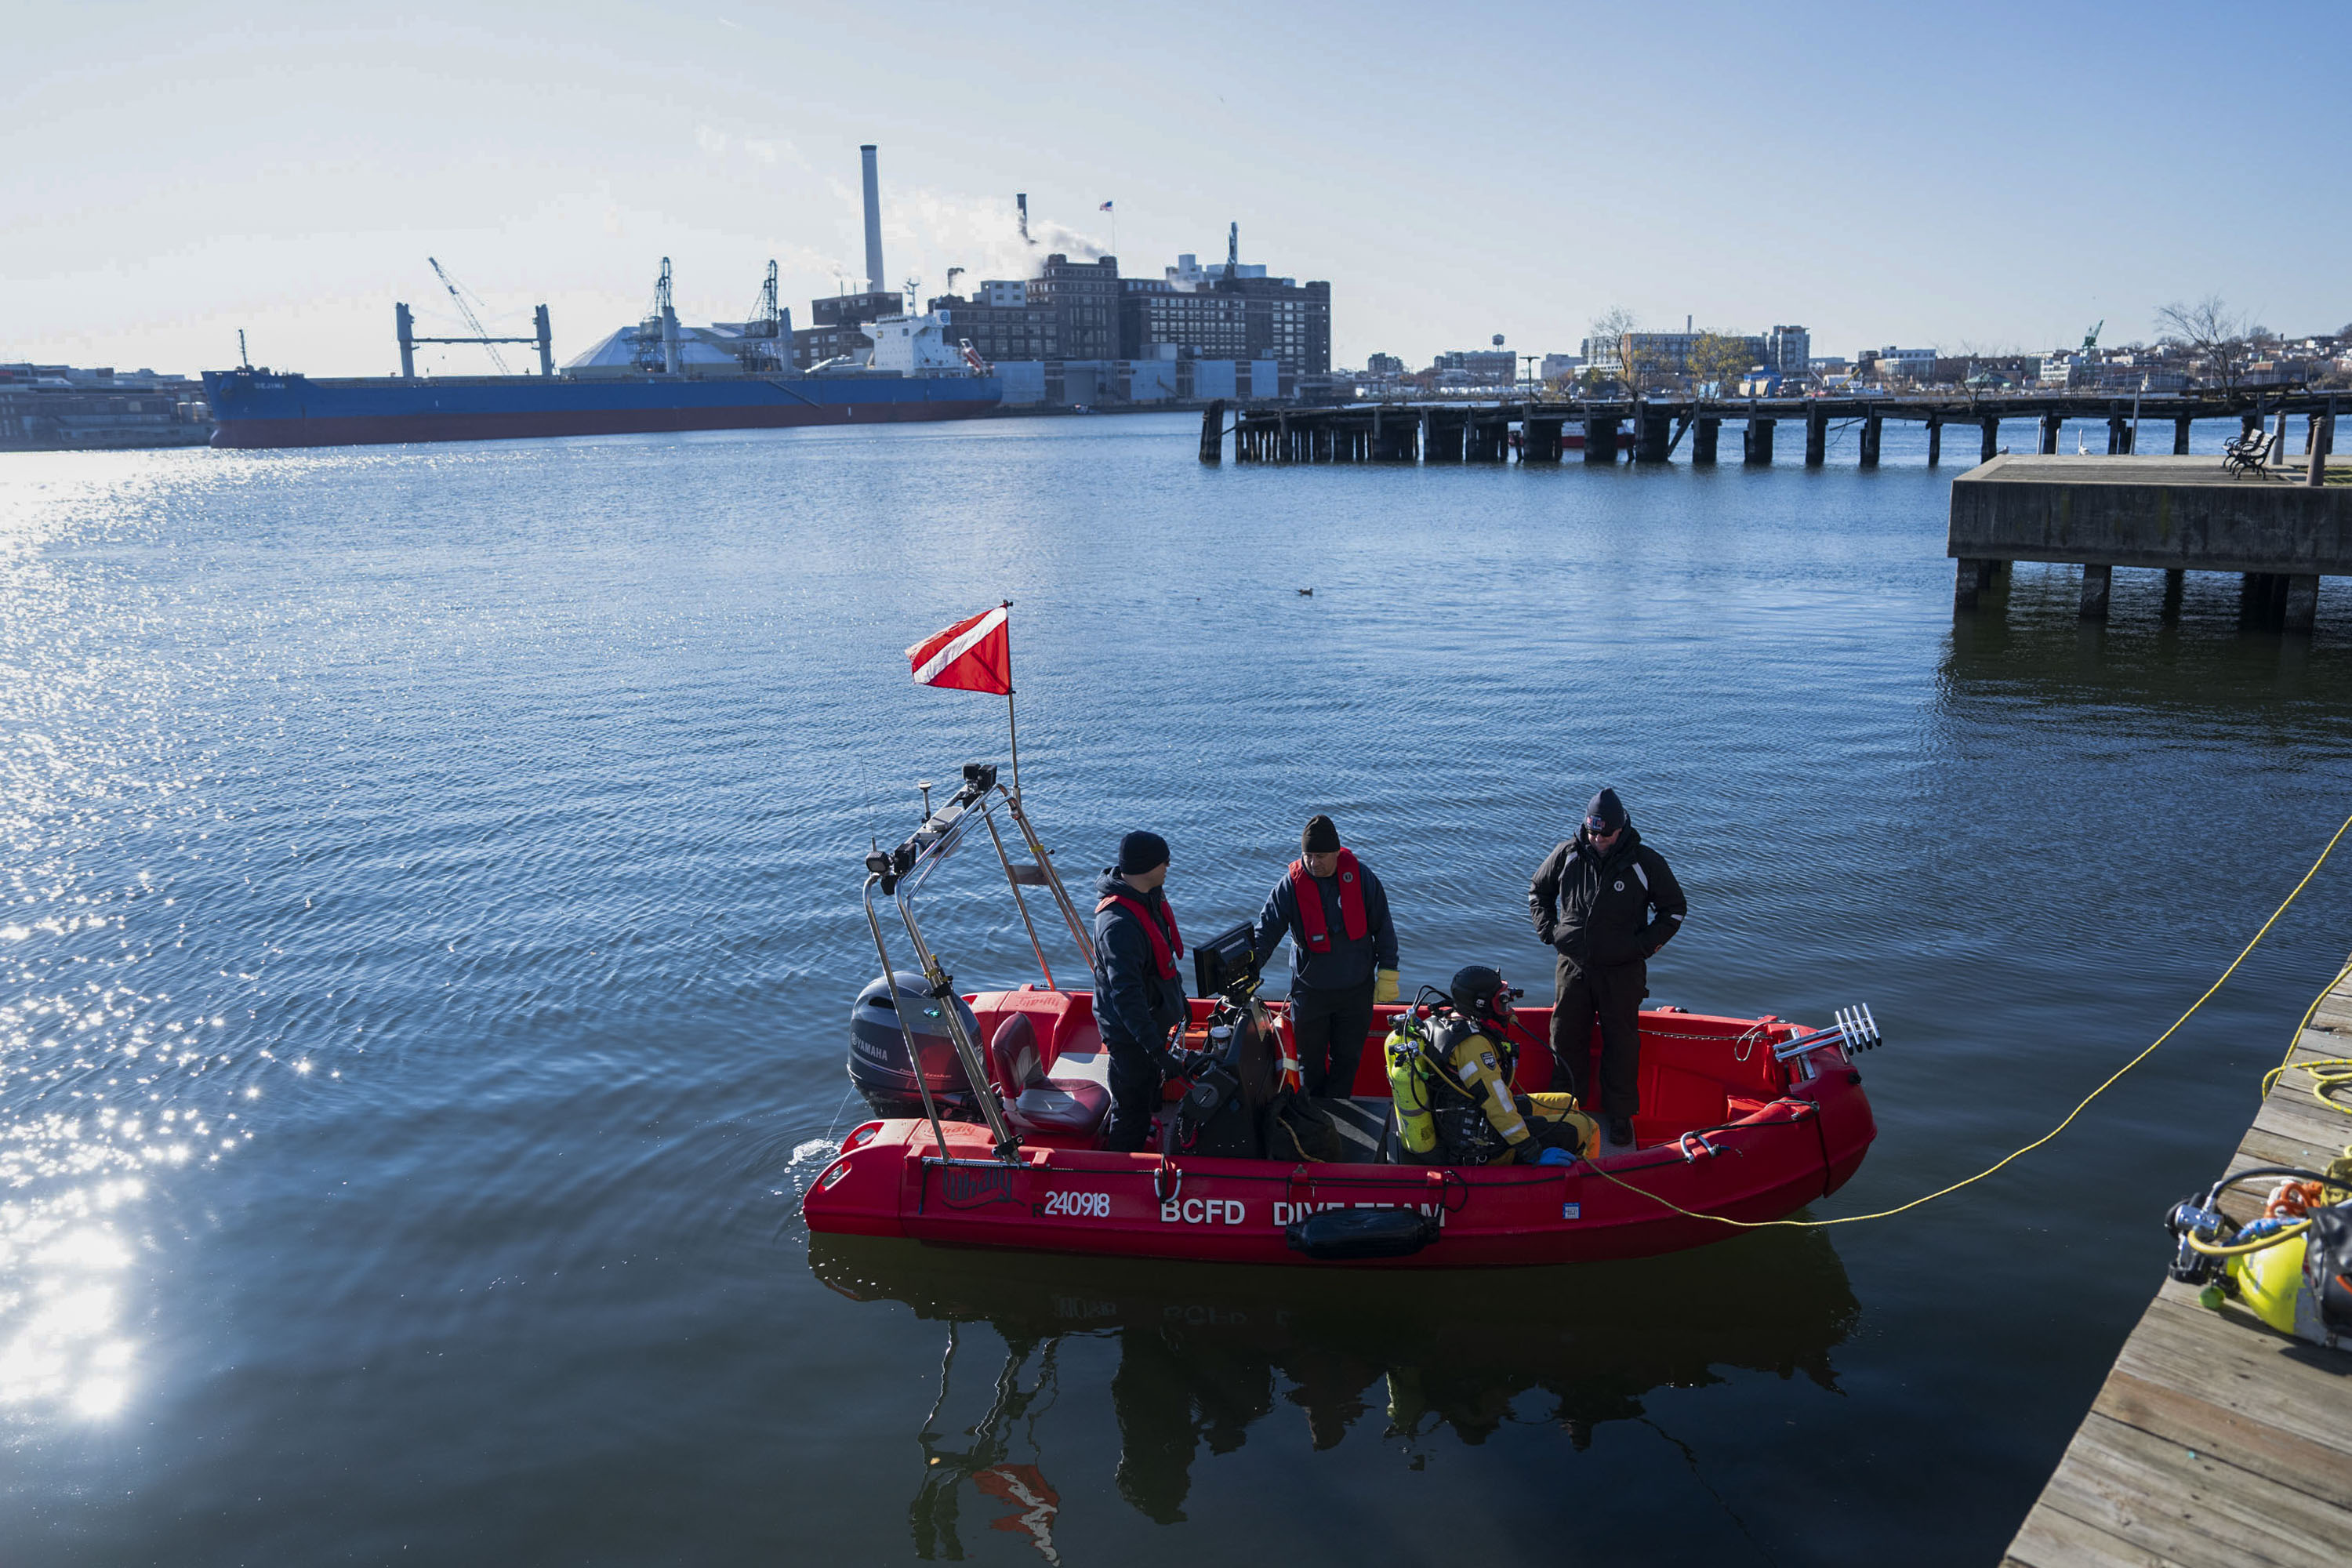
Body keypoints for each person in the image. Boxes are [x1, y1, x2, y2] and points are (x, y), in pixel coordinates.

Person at [1527, 787, 1686, 1149]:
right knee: (1565, 1037)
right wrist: (1551, 932)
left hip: (1622, 971)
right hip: (1573, 966)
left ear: (1620, 829)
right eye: (1592, 832)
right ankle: (1565, 1109)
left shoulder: (1644, 862)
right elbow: (1539, 891)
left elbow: (1674, 910)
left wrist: (1642, 947)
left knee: (1622, 1043)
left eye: (1605, 834)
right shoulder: (1567, 854)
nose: (1597, 840)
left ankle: (1620, 1115)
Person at [1251, 814, 1400, 1098]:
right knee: (1310, 1064)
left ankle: (1339, 1112)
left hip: (1356, 991)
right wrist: (1250, 969)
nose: (1313, 863)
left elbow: (1384, 926)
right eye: (1308, 855)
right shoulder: (1291, 886)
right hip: (1311, 993)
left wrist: (1388, 971)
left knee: (1347, 1061)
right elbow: (1266, 931)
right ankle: (1314, 1118)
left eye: (1320, 856)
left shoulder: (1362, 879)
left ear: (1335, 853)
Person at [1420, 965, 1593, 1166]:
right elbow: (1496, 1104)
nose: (1506, 1005)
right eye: (1500, 999)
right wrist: (1533, 1151)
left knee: (1568, 1102)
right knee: (1586, 1126)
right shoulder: (1473, 1046)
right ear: (1482, 1003)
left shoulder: (1442, 1021)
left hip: (1468, 1116)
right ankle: (1584, 1186)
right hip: (1480, 1143)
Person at [1094, 830, 1189, 1152]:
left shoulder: (1150, 899)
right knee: (1131, 1108)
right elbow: (1126, 996)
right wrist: (1156, 1050)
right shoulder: (1118, 925)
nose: (1169, 866)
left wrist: (1181, 1001)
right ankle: (1120, 1170)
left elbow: (1162, 962)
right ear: (1146, 866)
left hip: (1152, 1020)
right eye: (1164, 861)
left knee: (1147, 1093)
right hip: (1130, 1033)